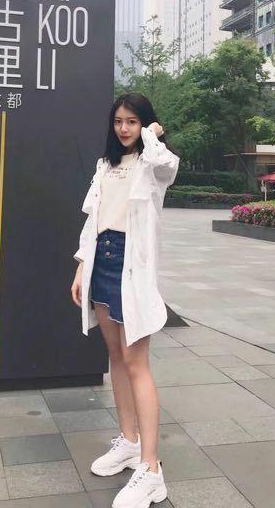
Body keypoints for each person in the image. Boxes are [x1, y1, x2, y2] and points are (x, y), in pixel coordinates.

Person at [70, 92, 179, 508]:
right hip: (101, 259)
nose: (124, 128)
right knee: (115, 356)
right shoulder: (106, 165)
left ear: (145, 124)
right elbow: (93, 221)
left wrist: (152, 136)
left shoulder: (153, 164)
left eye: (132, 121)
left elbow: (167, 165)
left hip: (131, 265)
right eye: (119, 121)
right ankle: (129, 442)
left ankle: (151, 470)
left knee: (137, 363)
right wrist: (82, 266)